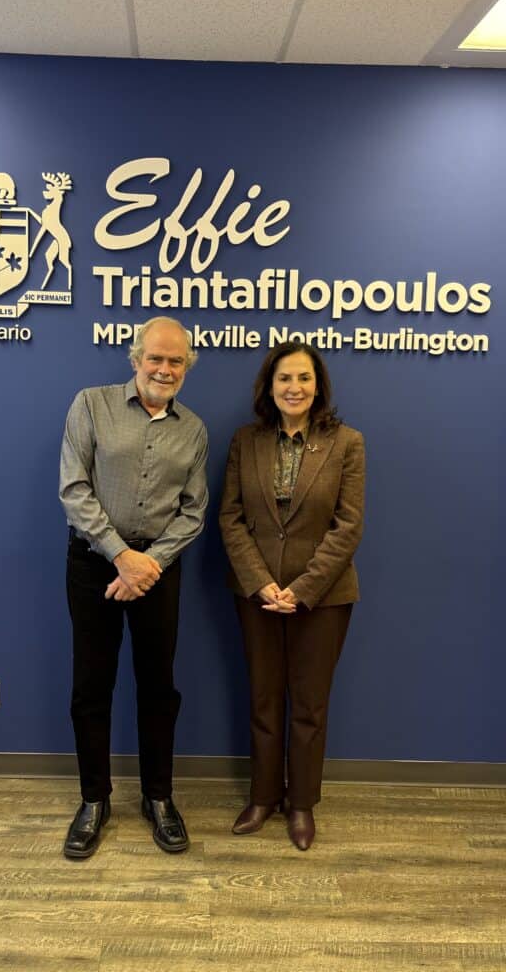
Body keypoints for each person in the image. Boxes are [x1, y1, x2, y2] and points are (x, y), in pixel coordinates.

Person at [59, 317, 208, 859]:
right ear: (136, 358)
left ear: (186, 367)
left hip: (157, 572)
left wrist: (148, 564)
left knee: (159, 687)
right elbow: (74, 489)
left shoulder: (194, 430)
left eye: (176, 361)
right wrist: (121, 557)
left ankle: (158, 797)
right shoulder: (91, 404)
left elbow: (193, 511)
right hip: (94, 564)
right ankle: (93, 800)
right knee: (91, 686)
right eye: (156, 358)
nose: (164, 369)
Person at [219, 343, 364, 850]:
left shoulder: (347, 443)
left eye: (304, 378)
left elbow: (348, 526)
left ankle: (301, 803)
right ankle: (263, 796)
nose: (294, 387)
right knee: (263, 699)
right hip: (256, 594)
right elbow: (231, 518)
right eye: (284, 378)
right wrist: (261, 582)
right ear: (270, 385)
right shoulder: (246, 441)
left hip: (324, 598)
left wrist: (302, 590)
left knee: (309, 705)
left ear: (318, 386)